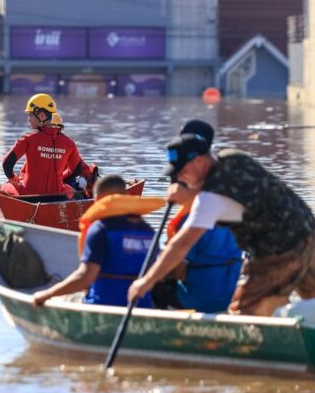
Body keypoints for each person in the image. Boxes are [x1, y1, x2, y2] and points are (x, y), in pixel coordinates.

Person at [128, 133, 315, 316]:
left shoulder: (209, 200)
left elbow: (181, 245)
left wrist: (146, 282)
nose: (180, 178)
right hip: (308, 232)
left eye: (182, 171)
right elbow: (233, 185)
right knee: (311, 297)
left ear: (199, 162)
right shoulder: (233, 156)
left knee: (245, 314)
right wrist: (192, 194)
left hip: (280, 250)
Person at [152, 120, 242, 313]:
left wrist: (149, 277)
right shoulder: (228, 207)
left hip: (201, 299)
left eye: (181, 176)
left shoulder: (192, 219)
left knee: (149, 283)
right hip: (228, 292)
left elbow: (179, 269)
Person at [33, 174, 157, 307]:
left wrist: (46, 294)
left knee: (58, 299)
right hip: (141, 305)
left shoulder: (100, 230)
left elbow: (85, 278)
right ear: (127, 195)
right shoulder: (149, 231)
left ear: (97, 200)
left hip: (102, 304)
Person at [1, 93, 82, 196]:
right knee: (72, 191)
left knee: (3, 187)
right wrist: (60, 179)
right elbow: (76, 170)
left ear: (42, 115)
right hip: (57, 195)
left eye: (30, 115)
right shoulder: (69, 143)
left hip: (28, 195)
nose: (28, 119)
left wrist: (13, 179)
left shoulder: (27, 138)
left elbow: (6, 163)